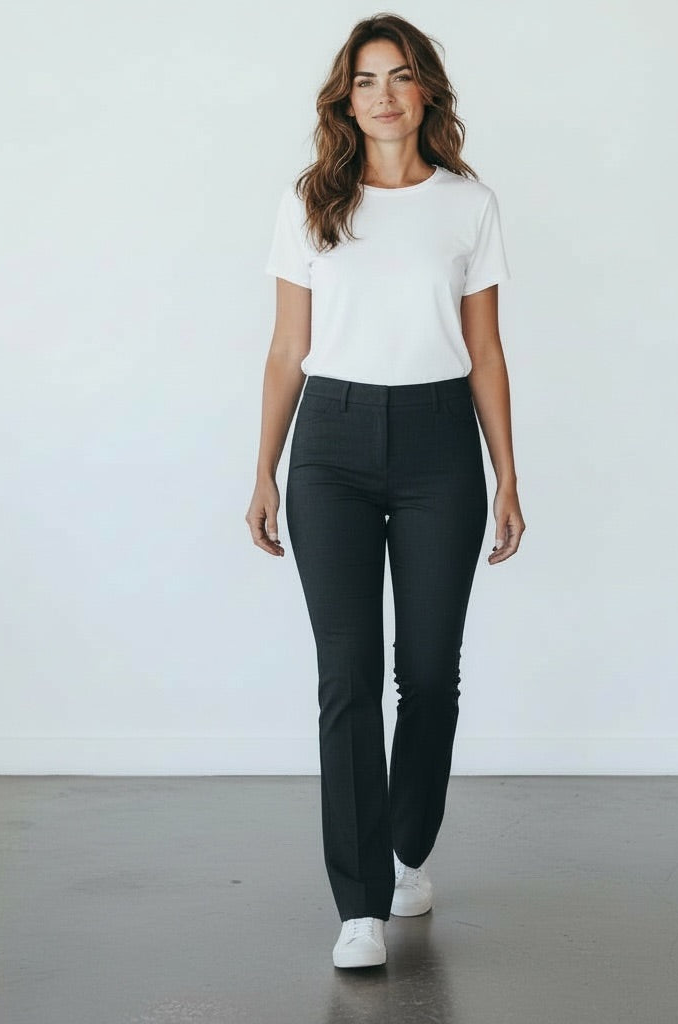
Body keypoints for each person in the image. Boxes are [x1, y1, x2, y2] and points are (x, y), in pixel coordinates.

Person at [245, 13, 526, 969]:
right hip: (330, 443)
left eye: (400, 76)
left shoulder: (469, 205)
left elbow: (486, 349)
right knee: (347, 674)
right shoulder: (311, 201)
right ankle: (360, 902)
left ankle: (407, 848)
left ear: (426, 91)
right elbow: (288, 346)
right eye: (366, 80)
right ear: (346, 98)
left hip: (441, 442)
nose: (384, 95)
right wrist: (264, 468)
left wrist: (507, 474)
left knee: (431, 674)